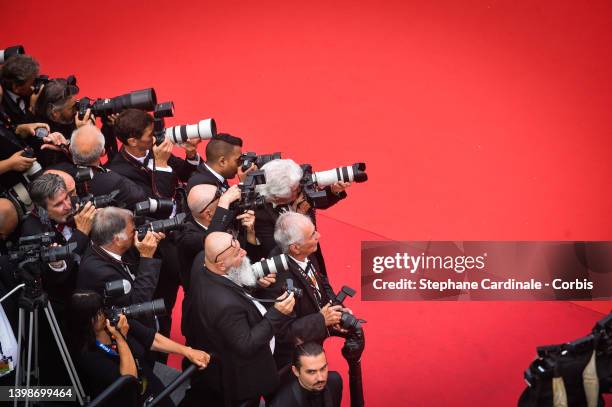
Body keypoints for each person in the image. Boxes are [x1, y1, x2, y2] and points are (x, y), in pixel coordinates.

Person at [183, 231, 296, 407]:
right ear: (221, 265)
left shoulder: (202, 260)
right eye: (236, 254)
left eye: (239, 246)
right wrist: (277, 313)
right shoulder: (224, 305)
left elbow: (231, 284)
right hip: (242, 377)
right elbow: (246, 345)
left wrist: (254, 282)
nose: (243, 252)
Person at [67, 291, 210, 406]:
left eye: (101, 309)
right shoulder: (87, 354)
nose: (102, 315)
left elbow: (152, 339)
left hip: (151, 389)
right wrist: (120, 338)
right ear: (85, 321)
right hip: (125, 400)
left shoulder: (114, 322)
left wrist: (187, 351)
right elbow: (129, 378)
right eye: (96, 314)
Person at [264, 211, 347, 369]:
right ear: (295, 248)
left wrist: (335, 310)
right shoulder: (276, 279)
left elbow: (321, 280)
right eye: (312, 235)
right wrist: (321, 320)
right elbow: (283, 332)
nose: (319, 235)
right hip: (294, 361)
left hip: (314, 338)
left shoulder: (306, 251)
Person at [254, 159, 351, 272]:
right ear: (277, 197)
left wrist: (334, 190)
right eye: (296, 189)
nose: (301, 190)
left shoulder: (294, 186)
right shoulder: (261, 216)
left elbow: (315, 201)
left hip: (313, 256)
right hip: (296, 268)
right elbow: (277, 250)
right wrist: (297, 218)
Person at [76, 207, 165, 307]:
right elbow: (138, 303)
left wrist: (151, 246)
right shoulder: (99, 272)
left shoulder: (105, 247)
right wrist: (146, 256)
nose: (136, 233)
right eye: (132, 231)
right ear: (117, 239)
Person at [69, 124, 148, 209]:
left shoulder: (60, 174)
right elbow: (142, 198)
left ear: (70, 148)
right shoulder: (114, 182)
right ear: (103, 152)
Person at [268, 342, 342, 407]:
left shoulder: (334, 381)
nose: (320, 378)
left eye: (323, 369)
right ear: (296, 371)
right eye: (312, 372)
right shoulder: (282, 404)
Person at [186, 132, 253, 193]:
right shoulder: (202, 186)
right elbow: (228, 206)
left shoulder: (216, 176)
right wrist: (245, 184)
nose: (240, 165)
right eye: (238, 161)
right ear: (222, 161)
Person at [0, 54, 39, 125]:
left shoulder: (23, 87)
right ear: (16, 88)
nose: (34, 86)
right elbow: (18, 131)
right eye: (32, 83)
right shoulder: (3, 106)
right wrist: (32, 107)